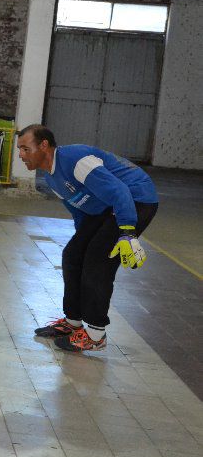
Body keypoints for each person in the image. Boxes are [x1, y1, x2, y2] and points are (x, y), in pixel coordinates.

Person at [18, 124, 158, 352]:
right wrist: (82, 241)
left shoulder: (75, 160)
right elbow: (80, 211)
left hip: (136, 198)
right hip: (106, 205)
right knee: (74, 254)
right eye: (20, 150)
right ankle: (73, 322)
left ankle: (95, 334)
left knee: (98, 258)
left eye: (25, 148)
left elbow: (120, 191)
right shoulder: (51, 178)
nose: (21, 155)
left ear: (44, 145)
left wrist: (127, 233)